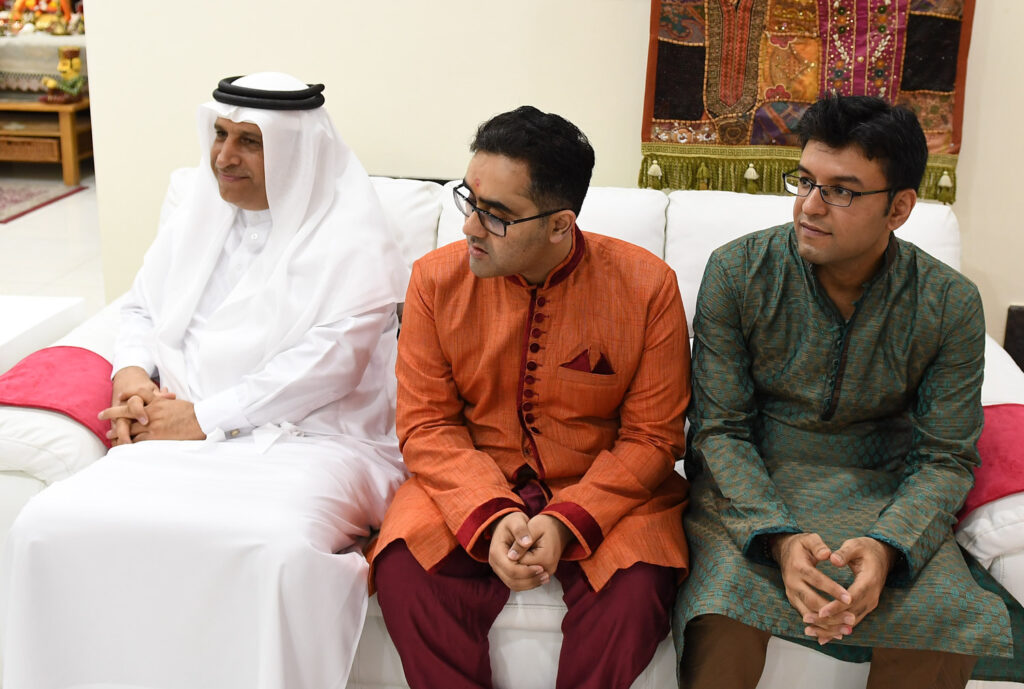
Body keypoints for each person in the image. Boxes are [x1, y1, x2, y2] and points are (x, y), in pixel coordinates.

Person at [1, 72, 409, 689]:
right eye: (220, 134)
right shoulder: (199, 210)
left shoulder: (352, 239)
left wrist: (201, 419)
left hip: (312, 442)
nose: (224, 156)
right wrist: (132, 375)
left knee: (271, 548)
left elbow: (327, 367)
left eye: (250, 141)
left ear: (297, 151)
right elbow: (140, 307)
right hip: (175, 433)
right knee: (44, 525)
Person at [675, 93, 1024, 689]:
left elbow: (945, 455)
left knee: (942, 621)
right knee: (723, 607)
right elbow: (719, 429)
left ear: (899, 207)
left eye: (841, 191)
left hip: (883, 494)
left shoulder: (949, 302)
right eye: (805, 181)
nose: (810, 206)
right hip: (753, 489)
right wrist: (777, 538)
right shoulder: (738, 271)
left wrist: (889, 547)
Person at [369, 105, 691, 689]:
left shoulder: (647, 287)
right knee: (404, 567)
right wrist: (489, 513)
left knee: (637, 588)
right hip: (470, 475)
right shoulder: (434, 281)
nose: (470, 228)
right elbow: (426, 426)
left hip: (601, 484)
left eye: (497, 216)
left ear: (560, 224)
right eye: (470, 201)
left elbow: (653, 438)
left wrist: (568, 520)